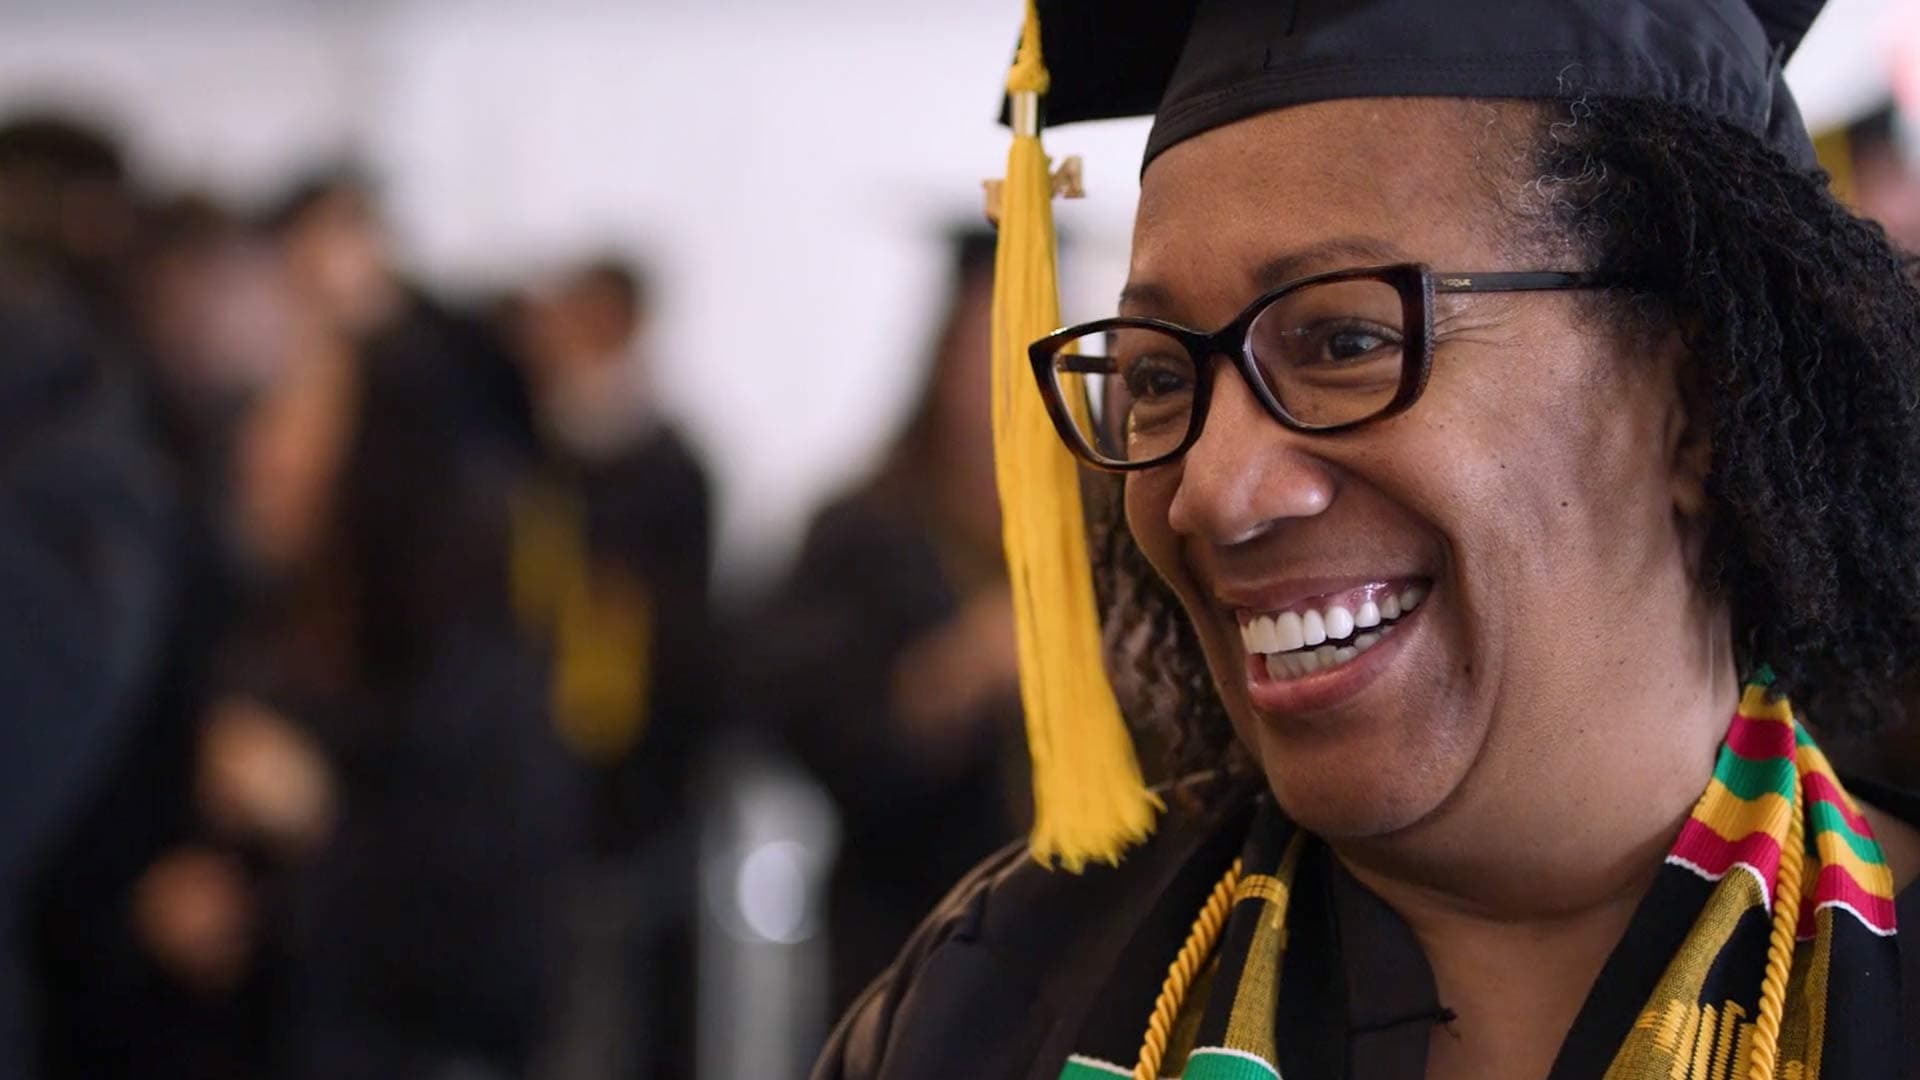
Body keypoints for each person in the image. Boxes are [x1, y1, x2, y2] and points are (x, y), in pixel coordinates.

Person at [815, 2, 1920, 1078]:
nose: (1213, 491)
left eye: (1344, 340)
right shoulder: (994, 1007)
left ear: (1696, 404)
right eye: (1159, 377)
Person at [754, 228, 1028, 1016]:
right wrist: (947, 681)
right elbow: (793, 718)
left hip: (1085, 933)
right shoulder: (863, 528)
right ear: (941, 359)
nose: (999, 377)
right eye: (984, 348)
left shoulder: (1107, 524)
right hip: (911, 931)